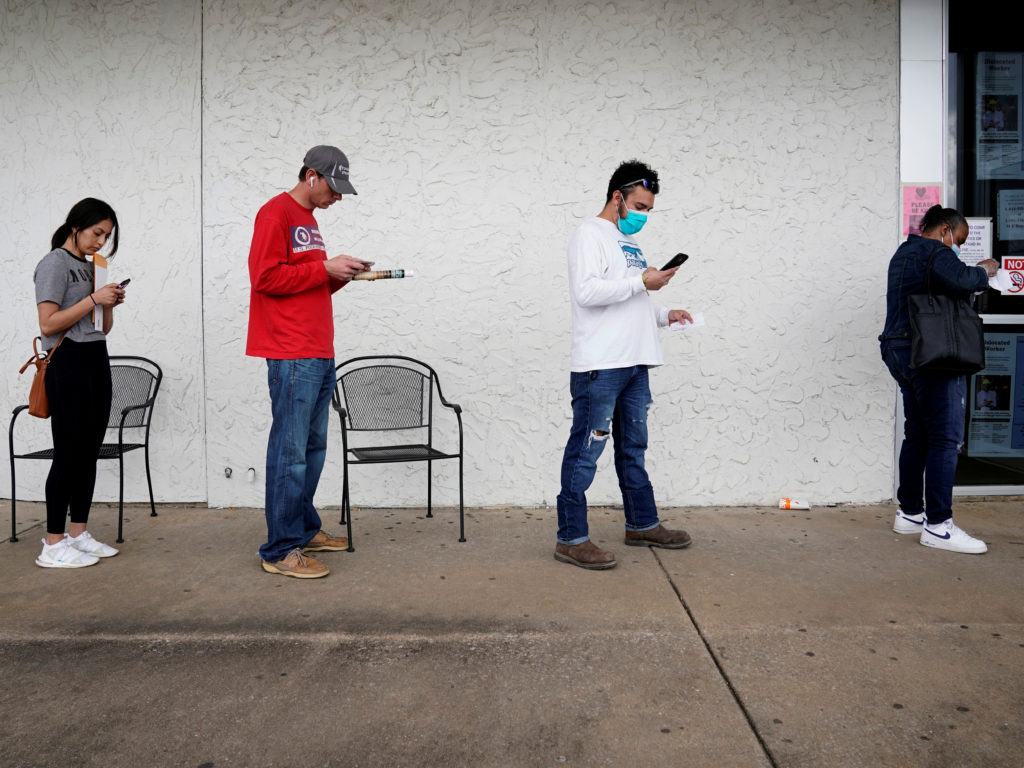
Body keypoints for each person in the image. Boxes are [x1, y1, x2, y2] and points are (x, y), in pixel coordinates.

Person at [554, 160, 694, 570]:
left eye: (648, 209)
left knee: (633, 447)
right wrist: (641, 283)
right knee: (586, 450)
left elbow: (631, 299)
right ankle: (571, 538)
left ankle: (642, 524)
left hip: (636, 362)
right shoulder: (588, 235)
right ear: (617, 197)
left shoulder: (626, 243)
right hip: (602, 364)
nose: (642, 215)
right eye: (638, 206)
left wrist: (665, 313)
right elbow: (587, 292)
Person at [247, 145, 372, 579]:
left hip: (318, 348)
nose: (337, 198)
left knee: (312, 449)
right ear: (312, 175)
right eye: (334, 188)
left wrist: (340, 277)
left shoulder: (310, 222)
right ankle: (280, 550)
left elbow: (304, 285)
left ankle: (301, 528)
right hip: (291, 351)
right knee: (290, 452)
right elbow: (264, 278)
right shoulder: (275, 213)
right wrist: (325, 269)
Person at [879, 204, 999, 554]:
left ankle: (911, 513)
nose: (956, 246)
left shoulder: (905, 253)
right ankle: (939, 526)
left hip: (901, 350)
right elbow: (963, 280)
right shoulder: (934, 250)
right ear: (945, 229)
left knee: (917, 433)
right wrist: (985, 270)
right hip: (932, 355)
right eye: (957, 239)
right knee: (945, 439)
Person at [32, 198, 126, 568]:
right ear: (76, 225)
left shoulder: (93, 268)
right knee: (68, 453)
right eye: (96, 233)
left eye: (106, 236)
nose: (100, 243)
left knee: (89, 452)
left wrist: (109, 305)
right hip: (66, 362)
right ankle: (52, 544)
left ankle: (78, 534)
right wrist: (91, 298)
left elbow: (100, 327)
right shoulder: (53, 264)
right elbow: (47, 325)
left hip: (95, 360)